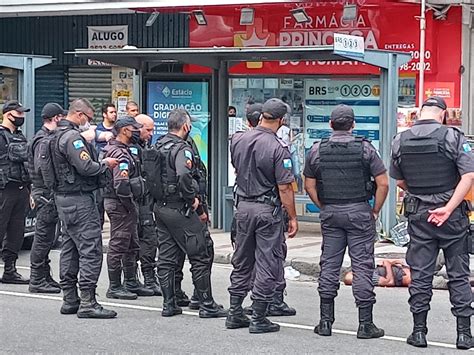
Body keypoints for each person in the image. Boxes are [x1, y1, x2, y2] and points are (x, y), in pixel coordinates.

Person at [390, 96, 474, 350]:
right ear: (443, 114)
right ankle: (463, 335)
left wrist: (421, 195)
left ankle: (418, 332)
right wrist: (448, 208)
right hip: (452, 216)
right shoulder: (453, 137)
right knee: (458, 274)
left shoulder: (400, 139)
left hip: (420, 216)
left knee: (421, 274)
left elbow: (399, 181)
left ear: (420, 114)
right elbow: (468, 176)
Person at [304, 104, 389, 339]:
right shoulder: (366, 149)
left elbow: (309, 184)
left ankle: (325, 322)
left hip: (331, 212)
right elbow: (383, 183)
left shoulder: (317, 150)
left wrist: (323, 205)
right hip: (359, 211)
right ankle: (365, 325)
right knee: (362, 266)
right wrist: (375, 210)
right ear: (353, 125)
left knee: (329, 264)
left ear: (331, 125)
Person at [226, 98, 298, 334]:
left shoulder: (238, 139)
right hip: (266, 210)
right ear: (281, 120)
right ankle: (258, 316)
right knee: (268, 261)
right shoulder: (278, 147)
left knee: (242, 259)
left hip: (243, 208)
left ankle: (235, 311)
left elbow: (237, 168)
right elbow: (285, 187)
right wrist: (293, 217)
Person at [151, 108, 227, 318]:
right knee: (201, 253)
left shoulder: (157, 145)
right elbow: (184, 175)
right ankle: (205, 304)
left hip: (161, 207)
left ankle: (169, 304)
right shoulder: (181, 149)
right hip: (179, 208)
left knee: (166, 257)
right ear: (185, 126)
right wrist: (192, 200)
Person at [52, 98, 118, 319]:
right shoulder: (72, 138)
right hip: (79, 199)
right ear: (79, 115)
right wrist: (105, 164)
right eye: (88, 119)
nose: (89, 124)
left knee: (69, 247)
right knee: (90, 249)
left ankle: (70, 299)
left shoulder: (54, 136)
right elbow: (86, 167)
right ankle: (88, 301)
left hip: (62, 199)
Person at [103, 116, 153, 300]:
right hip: (120, 203)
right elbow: (121, 184)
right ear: (125, 130)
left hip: (125, 203)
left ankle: (131, 281)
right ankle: (114, 286)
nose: (137, 132)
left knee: (132, 244)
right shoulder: (119, 153)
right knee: (119, 243)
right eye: (134, 129)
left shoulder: (123, 149)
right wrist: (129, 204)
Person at [27, 102, 67, 293]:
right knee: (42, 238)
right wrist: (51, 189)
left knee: (48, 237)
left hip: (46, 193)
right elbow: (41, 169)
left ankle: (44, 275)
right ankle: (36, 279)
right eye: (61, 117)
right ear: (56, 118)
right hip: (45, 194)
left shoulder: (47, 137)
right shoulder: (42, 139)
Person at [0, 100, 31, 284]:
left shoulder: (20, 136)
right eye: (19, 113)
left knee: (16, 232)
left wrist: (30, 190)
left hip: (20, 189)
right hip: (3, 190)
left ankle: (10, 270)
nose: (22, 117)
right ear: (8, 114)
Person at [133, 114, 161, 296]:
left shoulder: (145, 147)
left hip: (147, 200)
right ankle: (133, 279)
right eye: (148, 130)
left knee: (150, 240)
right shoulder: (128, 148)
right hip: (133, 201)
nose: (151, 134)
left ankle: (149, 278)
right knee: (135, 242)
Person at [95, 103, 117, 228]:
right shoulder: (97, 131)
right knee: (99, 202)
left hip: (113, 171)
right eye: (111, 112)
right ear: (104, 114)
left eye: (115, 112)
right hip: (100, 170)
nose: (114, 114)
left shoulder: (117, 130)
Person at [344, 259, 411, 288]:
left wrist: (392, 263)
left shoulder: (366, 272)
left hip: (402, 270)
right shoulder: (368, 277)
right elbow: (389, 282)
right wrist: (388, 264)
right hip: (402, 276)